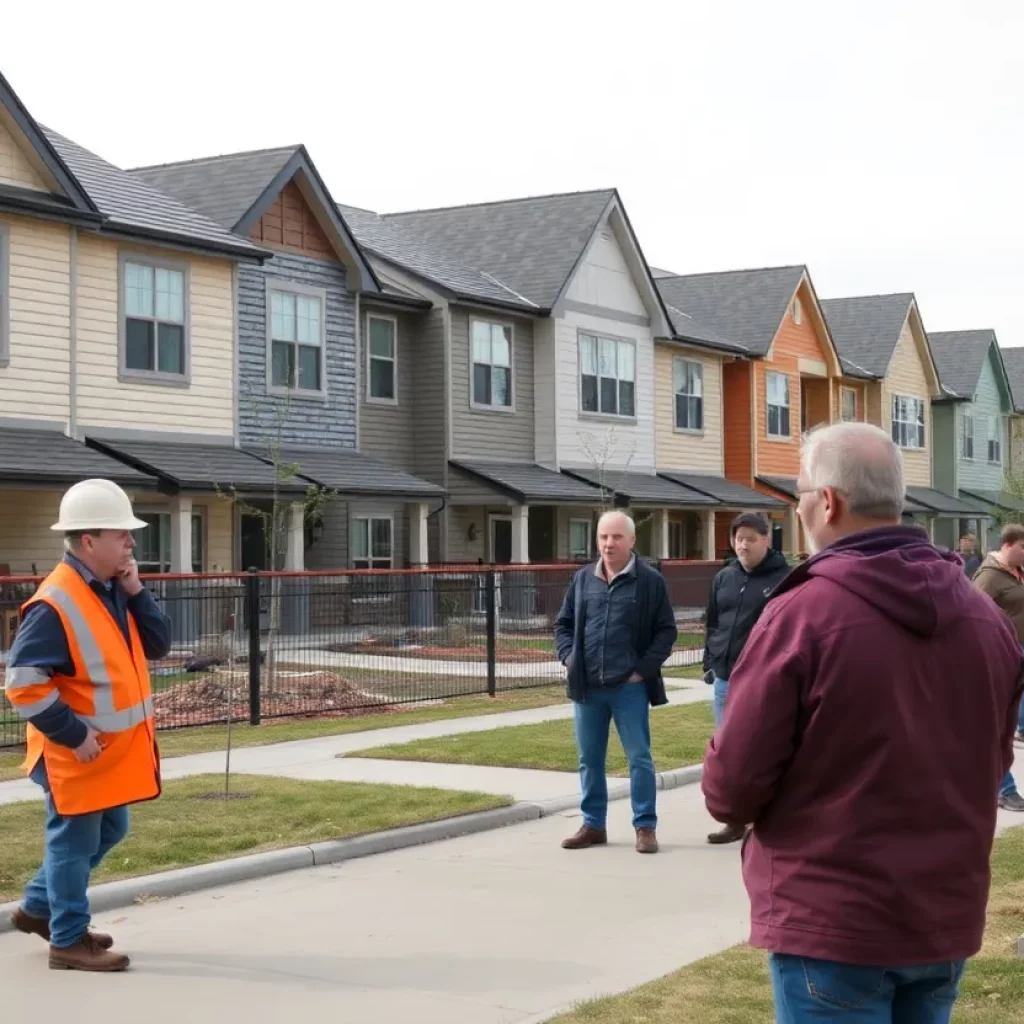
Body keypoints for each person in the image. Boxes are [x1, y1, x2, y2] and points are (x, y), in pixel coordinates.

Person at [702, 422, 1022, 1024]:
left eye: (798, 493)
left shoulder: (801, 615)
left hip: (833, 923)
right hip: (941, 916)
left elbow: (730, 787)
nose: (797, 508)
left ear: (828, 502)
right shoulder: (984, 619)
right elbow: (994, 760)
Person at [4, 479, 171, 972]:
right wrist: (74, 735)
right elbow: (23, 683)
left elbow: (158, 645)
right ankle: (68, 940)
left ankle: (39, 909)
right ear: (88, 541)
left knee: (111, 830)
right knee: (73, 843)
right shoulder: (57, 601)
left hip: (108, 753)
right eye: (122, 533)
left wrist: (136, 590)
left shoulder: (110, 588)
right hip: (73, 752)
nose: (132, 542)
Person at [554, 510, 677, 854]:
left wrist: (642, 670)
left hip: (629, 689)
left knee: (639, 758)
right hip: (587, 688)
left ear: (632, 541)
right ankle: (593, 825)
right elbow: (562, 625)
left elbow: (666, 631)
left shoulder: (650, 581)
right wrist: (569, 657)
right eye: (603, 537)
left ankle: (645, 826)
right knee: (589, 759)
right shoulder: (582, 580)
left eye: (616, 537)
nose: (609, 544)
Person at [701, 511, 790, 844]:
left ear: (766, 540)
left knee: (761, 750)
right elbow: (712, 622)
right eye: (739, 539)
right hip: (725, 679)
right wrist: (710, 661)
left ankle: (768, 820)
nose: (744, 545)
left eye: (752, 539)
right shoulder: (724, 578)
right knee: (728, 753)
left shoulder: (784, 579)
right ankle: (734, 819)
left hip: (761, 682)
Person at [972, 524, 1024, 776]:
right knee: (1001, 709)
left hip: (1021, 642)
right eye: (1023, 547)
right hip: (1005, 647)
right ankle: (1002, 784)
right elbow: (972, 611)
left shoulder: (1017, 572)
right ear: (1007, 545)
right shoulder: (989, 576)